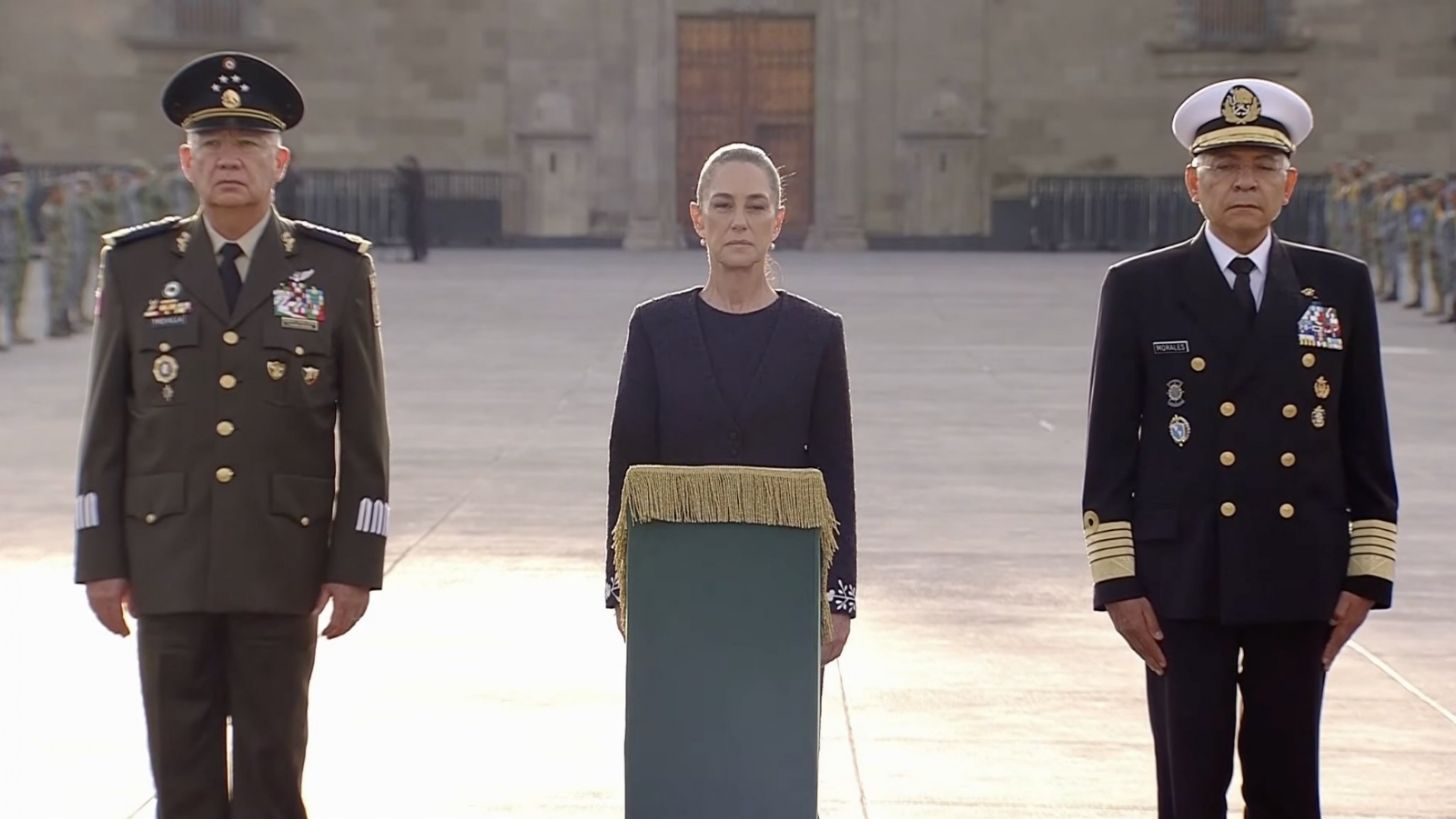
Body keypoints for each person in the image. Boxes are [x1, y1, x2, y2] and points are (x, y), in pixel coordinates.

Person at [72, 51, 391, 819]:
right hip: (167, 557)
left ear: (280, 162)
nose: (228, 159)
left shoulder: (334, 271)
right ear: (186, 162)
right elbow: (105, 423)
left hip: (281, 559)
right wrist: (100, 557)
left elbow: (366, 432)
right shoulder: (136, 267)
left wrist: (356, 562)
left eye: (248, 144)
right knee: (180, 772)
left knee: (271, 770)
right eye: (211, 144)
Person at [1081, 78, 1398, 818]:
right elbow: (1110, 449)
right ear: (1194, 184)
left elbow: (1366, 439)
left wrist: (1367, 574)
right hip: (1182, 577)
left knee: (1288, 785)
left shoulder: (1338, 286)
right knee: (1190, 788)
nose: (1245, 181)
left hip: (1300, 571)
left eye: (1263, 166)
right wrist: (1119, 584)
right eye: (1224, 167)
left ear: (1290, 185)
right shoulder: (1140, 287)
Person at [605, 142, 857, 661]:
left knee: (775, 712)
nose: (739, 221)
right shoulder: (654, 329)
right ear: (698, 219)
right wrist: (621, 585)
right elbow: (627, 465)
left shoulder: (817, 335)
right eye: (723, 205)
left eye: (755, 206)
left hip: (784, 580)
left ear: (777, 221)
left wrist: (839, 596)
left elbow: (836, 468)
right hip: (675, 579)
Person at [0, 172, 34, 349]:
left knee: (16, 295)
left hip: (18, 254)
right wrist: (10, 195)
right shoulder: (6, 205)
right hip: (6, 256)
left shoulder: (18, 204)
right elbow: (9, 209)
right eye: (13, 184)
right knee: (4, 295)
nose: (18, 189)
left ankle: (14, 329)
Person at [40, 181, 73, 337]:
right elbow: (56, 220)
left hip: (63, 255)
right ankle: (54, 324)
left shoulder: (61, 208)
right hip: (54, 256)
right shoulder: (48, 210)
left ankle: (63, 320)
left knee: (64, 290)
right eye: (59, 192)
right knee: (56, 292)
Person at [395, 155, 427, 261]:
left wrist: (402, 183)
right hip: (413, 206)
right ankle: (417, 253)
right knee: (412, 231)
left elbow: (411, 188)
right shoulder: (414, 175)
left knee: (415, 230)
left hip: (416, 206)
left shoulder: (416, 176)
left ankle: (418, 253)